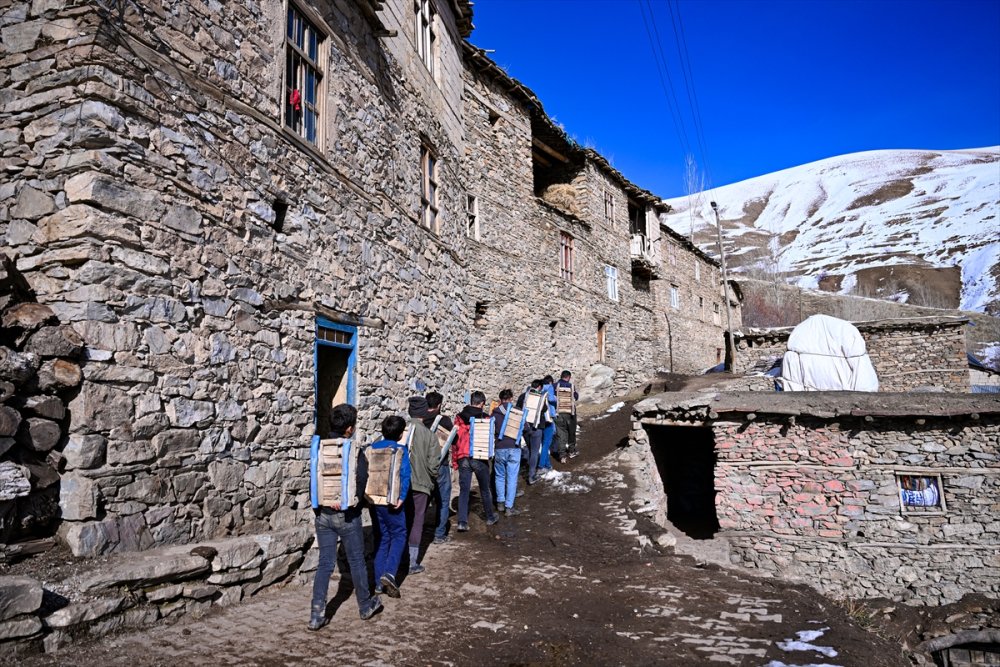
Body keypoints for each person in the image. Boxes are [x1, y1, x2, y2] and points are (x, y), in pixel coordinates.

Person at [308, 404, 382, 630]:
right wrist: (355, 502)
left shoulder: (319, 447)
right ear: (349, 428)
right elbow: (360, 482)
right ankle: (365, 605)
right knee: (357, 560)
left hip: (323, 514)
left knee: (325, 564)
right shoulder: (352, 450)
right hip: (347, 516)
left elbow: (314, 478)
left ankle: (316, 614)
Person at [369, 415, 411, 599]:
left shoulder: (372, 448)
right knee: (399, 535)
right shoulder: (400, 450)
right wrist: (402, 497)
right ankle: (390, 573)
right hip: (392, 501)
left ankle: (378, 581)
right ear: (401, 434)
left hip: (374, 500)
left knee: (383, 537)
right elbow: (405, 475)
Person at [453, 391, 499, 532]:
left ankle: (462, 522)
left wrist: (455, 460)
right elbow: (489, 440)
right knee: (485, 489)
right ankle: (490, 517)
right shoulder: (485, 418)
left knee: (464, 490)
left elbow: (455, 440)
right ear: (482, 403)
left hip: (463, 456)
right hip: (479, 457)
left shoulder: (459, 417)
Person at [404, 396, 439, 574]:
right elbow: (434, 466)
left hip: (400, 486)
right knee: (417, 521)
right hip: (421, 485)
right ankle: (411, 561)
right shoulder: (429, 436)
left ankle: (398, 557)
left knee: (402, 520)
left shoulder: (400, 430)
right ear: (424, 415)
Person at [424, 391, 454, 543]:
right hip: (440, 466)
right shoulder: (445, 420)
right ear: (439, 405)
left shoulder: (420, 420)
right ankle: (439, 534)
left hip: (422, 467)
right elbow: (454, 440)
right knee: (443, 499)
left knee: (423, 499)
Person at [491, 389, 523, 516]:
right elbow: (525, 428)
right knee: (512, 477)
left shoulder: (494, 413)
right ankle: (509, 507)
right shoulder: (517, 412)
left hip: (499, 448)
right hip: (514, 447)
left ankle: (500, 502)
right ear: (511, 399)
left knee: (499, 475)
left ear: (500, 400)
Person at [517, 379, 546, 485]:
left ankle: (529, 468)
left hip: (525, 427)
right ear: (539, 387)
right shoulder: (541, 398)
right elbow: (544, 410)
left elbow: (518, 409)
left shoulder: (522, 396)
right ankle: (532, 475)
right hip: (537, 428)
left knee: (529, 448)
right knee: (534, 451)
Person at [554, 370, 580, 460]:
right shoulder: (571, 386)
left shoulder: (554, 386)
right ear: (568, 377)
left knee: (561, 434)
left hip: (558, 413)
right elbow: (576, 397)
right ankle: (571, 451)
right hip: (570, 413)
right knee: (571, 432)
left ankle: (562, 455)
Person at [539, 374, 557, 469]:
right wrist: (556, 398)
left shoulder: (538, 389)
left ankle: (548, 464)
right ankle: (541, 465)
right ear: (550, 382)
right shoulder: (549, 387)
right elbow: (550, 399)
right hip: (548, 417)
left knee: (543, 443)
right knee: (547, 443)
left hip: (539, 419)